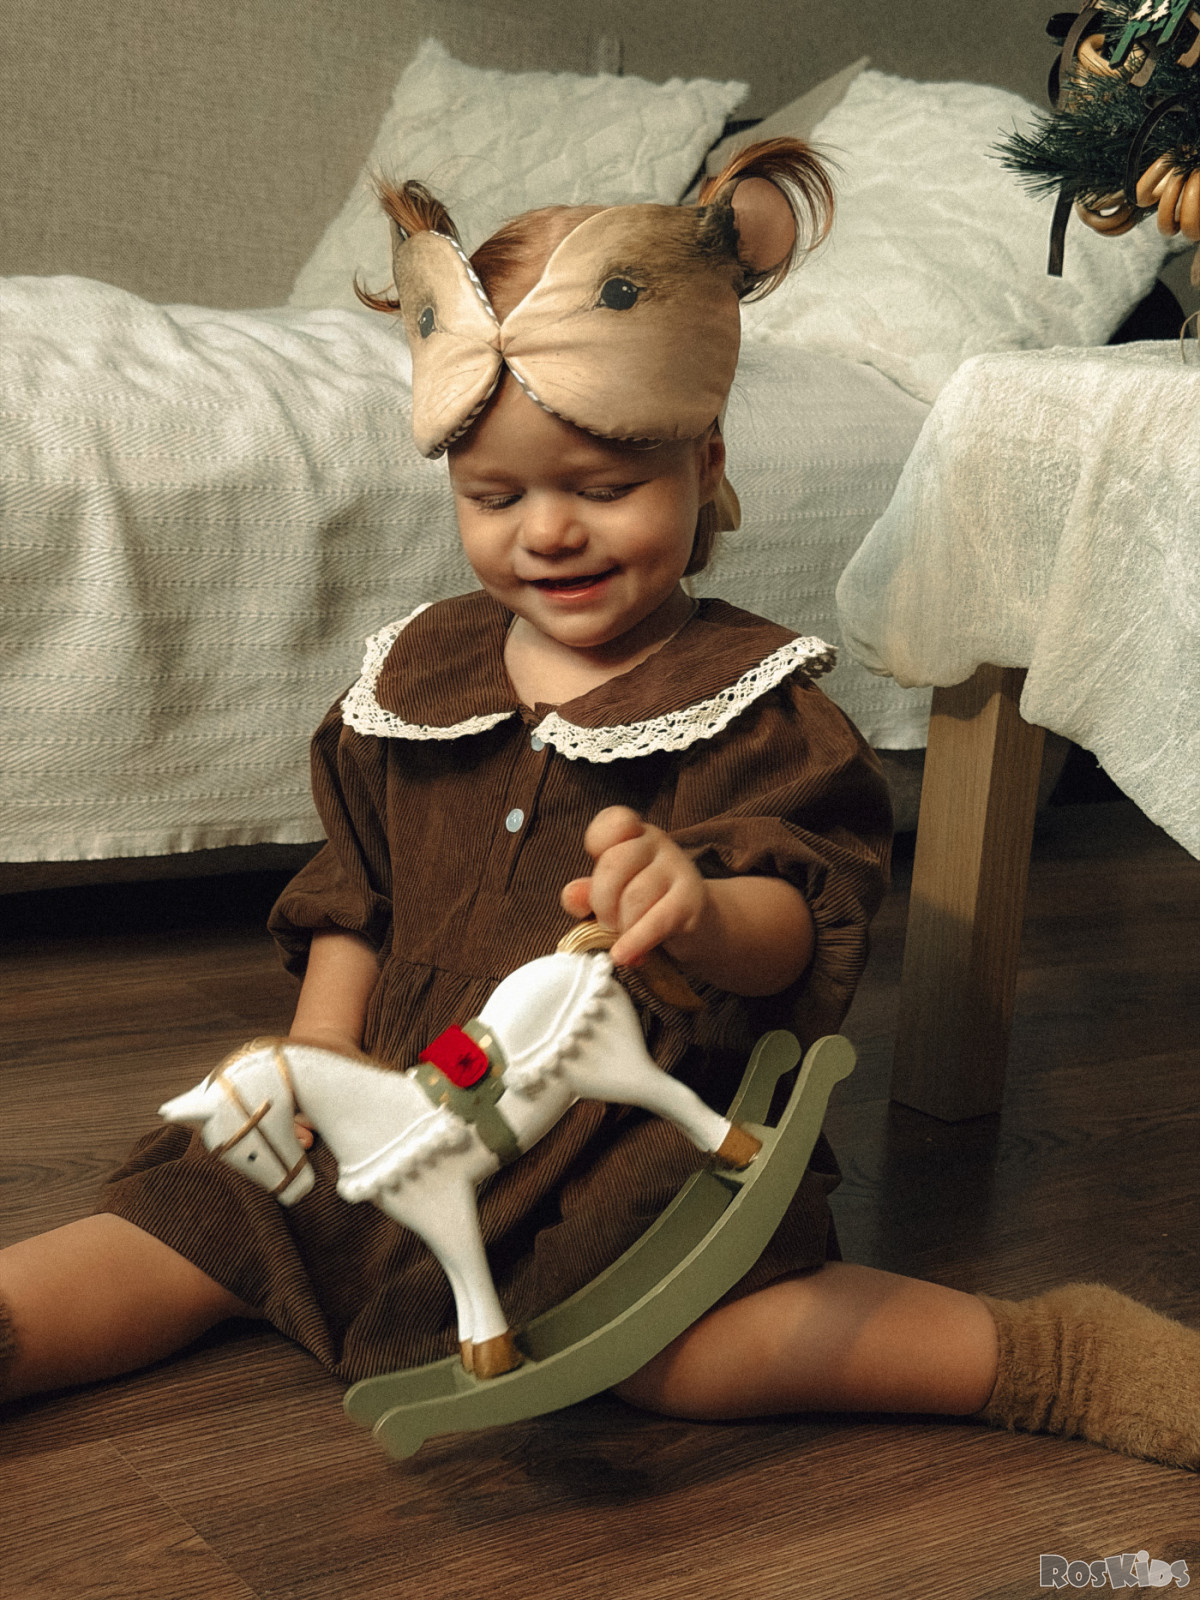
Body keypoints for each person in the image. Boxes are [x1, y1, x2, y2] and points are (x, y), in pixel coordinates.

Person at [2, 141, 1196, 1472]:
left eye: (604, 489)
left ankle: (1042, 1359)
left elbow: (803, 925)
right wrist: (324, 1057)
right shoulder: (418, 674)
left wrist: (701, 909)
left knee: (690, 1353)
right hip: (406, 1090)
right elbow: (356, 896)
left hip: (602, 1138)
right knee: (194, 1215)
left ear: (705, 460)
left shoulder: (751, 703)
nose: (548, 532)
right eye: (495, 497)